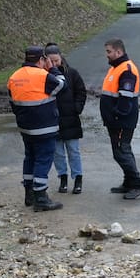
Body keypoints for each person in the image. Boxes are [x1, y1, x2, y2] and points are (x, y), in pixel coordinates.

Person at [8, 45, 64, 212]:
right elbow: (61, 86)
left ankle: (29, 194)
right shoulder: (44, 75)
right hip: (44, 126)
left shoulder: (14, 77)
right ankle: (40, 197)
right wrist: (54, 69)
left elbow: (13, 103)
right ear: (41, 60)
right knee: (43, 159)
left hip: (26, 127)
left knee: (30, 158)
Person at [99, 38, 140, 199]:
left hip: (121, 121)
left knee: (121, 152)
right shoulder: (115, 68)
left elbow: (125, 99)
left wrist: (117, 115)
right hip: (116, 121)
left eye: (109, 51)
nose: (107, 55)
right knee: (122, 151)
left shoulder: (126, 70)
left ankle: (138, 184)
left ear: (119, 52)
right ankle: (128, 182)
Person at [45, 43, 87, 194]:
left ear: (61, 57)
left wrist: (77, 108)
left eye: (57, 60)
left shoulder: (72, 73)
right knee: (58, 153)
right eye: (52, 61)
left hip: (71, 118)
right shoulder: (44, 76)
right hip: (52, 120)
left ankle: (78, 179)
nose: (55, 64)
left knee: (73, 151)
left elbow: (81, 92)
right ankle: (63, 179)